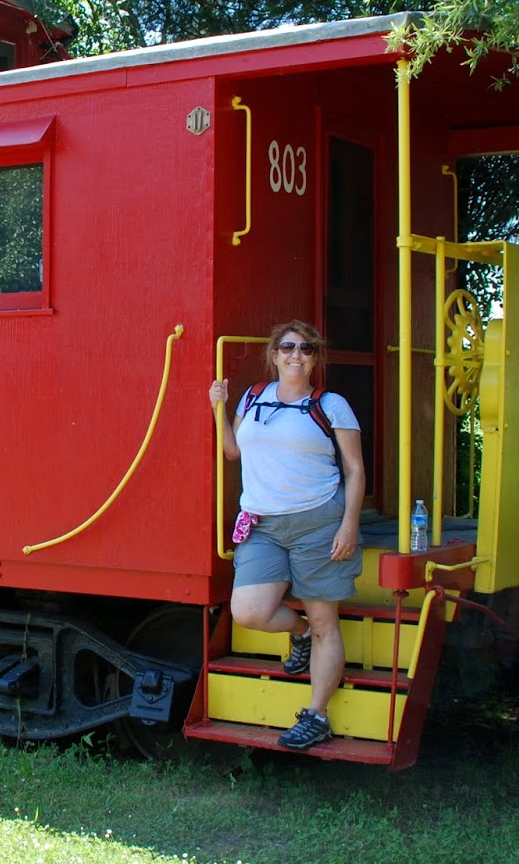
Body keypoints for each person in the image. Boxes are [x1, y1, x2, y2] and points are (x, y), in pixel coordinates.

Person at [208, 320, 365, 750]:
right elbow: (233, 451)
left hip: (319, 522)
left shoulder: (331, 404)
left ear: (316, 358)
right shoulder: (254, 397)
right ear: (274, 354)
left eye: (308, 349)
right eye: (289, 347)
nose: (298, 355)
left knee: (323, 622)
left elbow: (354, 469)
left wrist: (349, 524)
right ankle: (295, 634)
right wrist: (219, 409)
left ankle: (316, 715)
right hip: (264, 525)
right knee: (249, 611)